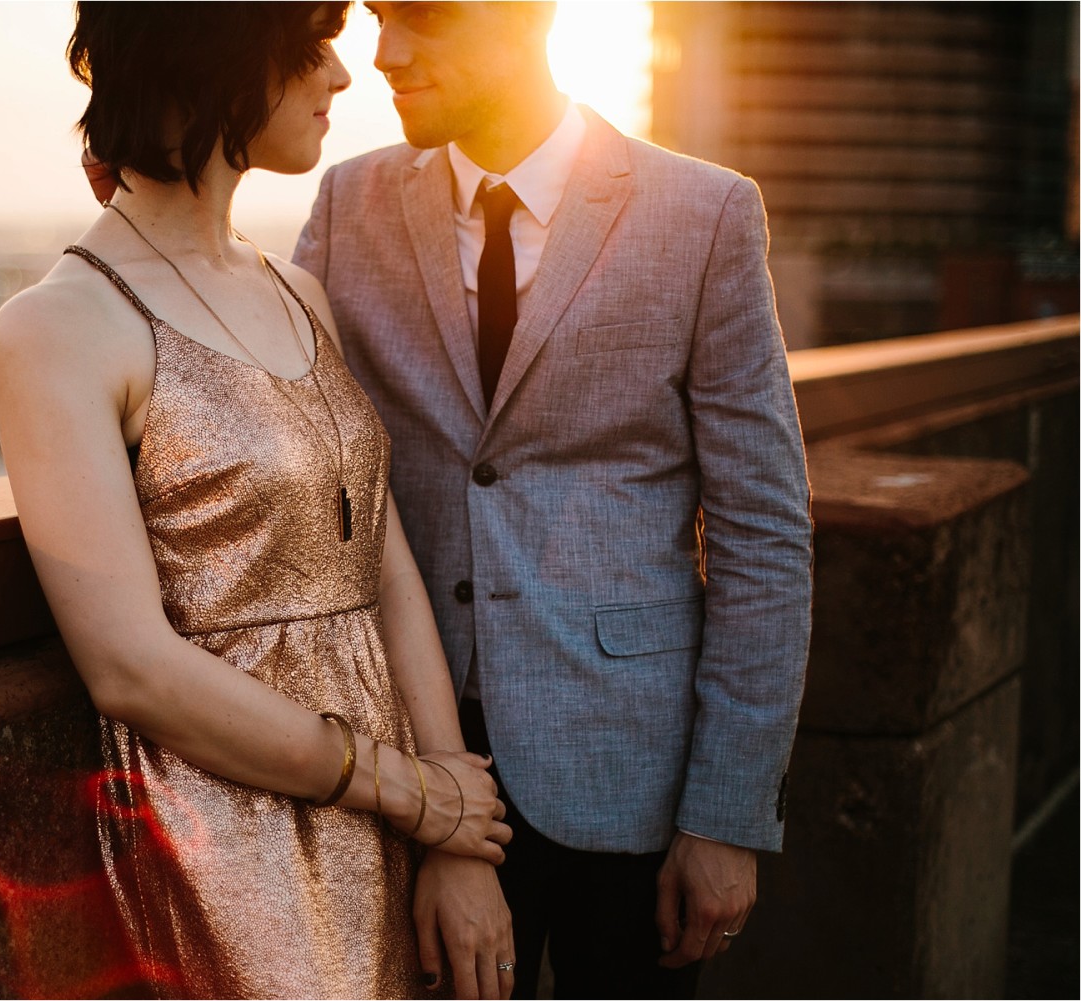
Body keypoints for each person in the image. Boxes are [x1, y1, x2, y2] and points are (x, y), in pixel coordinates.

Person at [0, 3, 515, 998]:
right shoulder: (60, 324)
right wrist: (412, 792)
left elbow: (386, 571)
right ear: (218, 57)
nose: (344, 77)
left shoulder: (298, 291)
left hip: (400, 820)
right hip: (236, 844)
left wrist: (457, 832)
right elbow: (130, 667)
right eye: (311, 48)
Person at [294, 3, 814, 997]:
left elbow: (763, 531)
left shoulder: (702, 213)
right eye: (375, 17)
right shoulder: (347, 203)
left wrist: (726, 815)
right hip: (415, 763)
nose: (384, 54)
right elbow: (310, 460)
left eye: (421, 20)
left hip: (633, 775)